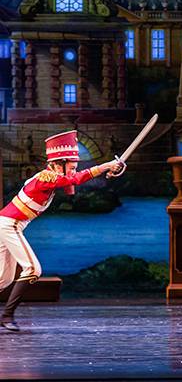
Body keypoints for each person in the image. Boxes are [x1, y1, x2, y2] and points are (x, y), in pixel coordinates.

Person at [0, 130, 123, 332]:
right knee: (33, 269)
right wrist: (106, 166)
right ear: (58, 165)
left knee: (4, 279)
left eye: (75, 168)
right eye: (72, 167)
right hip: (9, 225)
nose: (74, 171)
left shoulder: (50, 177)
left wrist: (110, 171)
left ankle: (6, 315)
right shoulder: (46, 177)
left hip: (7, 224)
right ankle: (7, 316)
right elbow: (74, 181)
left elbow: (72, 181)